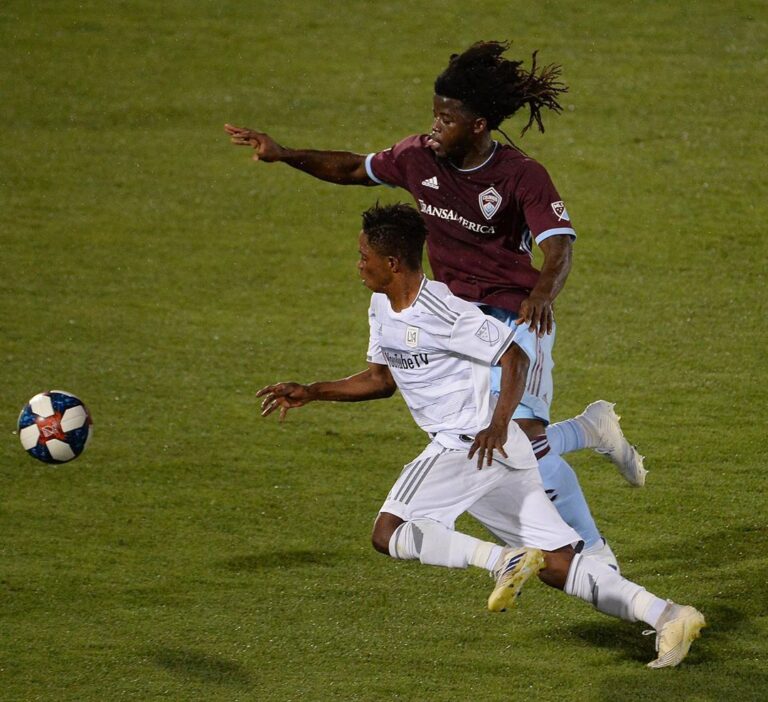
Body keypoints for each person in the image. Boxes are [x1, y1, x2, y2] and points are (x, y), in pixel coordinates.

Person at [226, 40, 646, 565]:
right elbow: (354, 169)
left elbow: (558, 247)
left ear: (477, 125)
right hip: (452, 323)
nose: (433, 127)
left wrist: (541, 295)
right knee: (498, 444)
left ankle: (597, 556)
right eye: (433, 115)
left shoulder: (521, 176)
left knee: (519, 439)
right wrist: (283, 153)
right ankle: (588, 434)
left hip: (515, 316)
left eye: (445, 119)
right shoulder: (417, 157)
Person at [256, 203, 704, 668]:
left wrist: (495, 423)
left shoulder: (445, 310)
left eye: (363, 255)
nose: (358, 264)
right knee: (556, 564)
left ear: (392, 263)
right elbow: (381, 381)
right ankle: (669, 615)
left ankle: (501, 560)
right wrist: (312, 391)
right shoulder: (381, 307)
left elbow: (515, 358)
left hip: (469, 442)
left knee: (388, 533)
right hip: (494, 452)